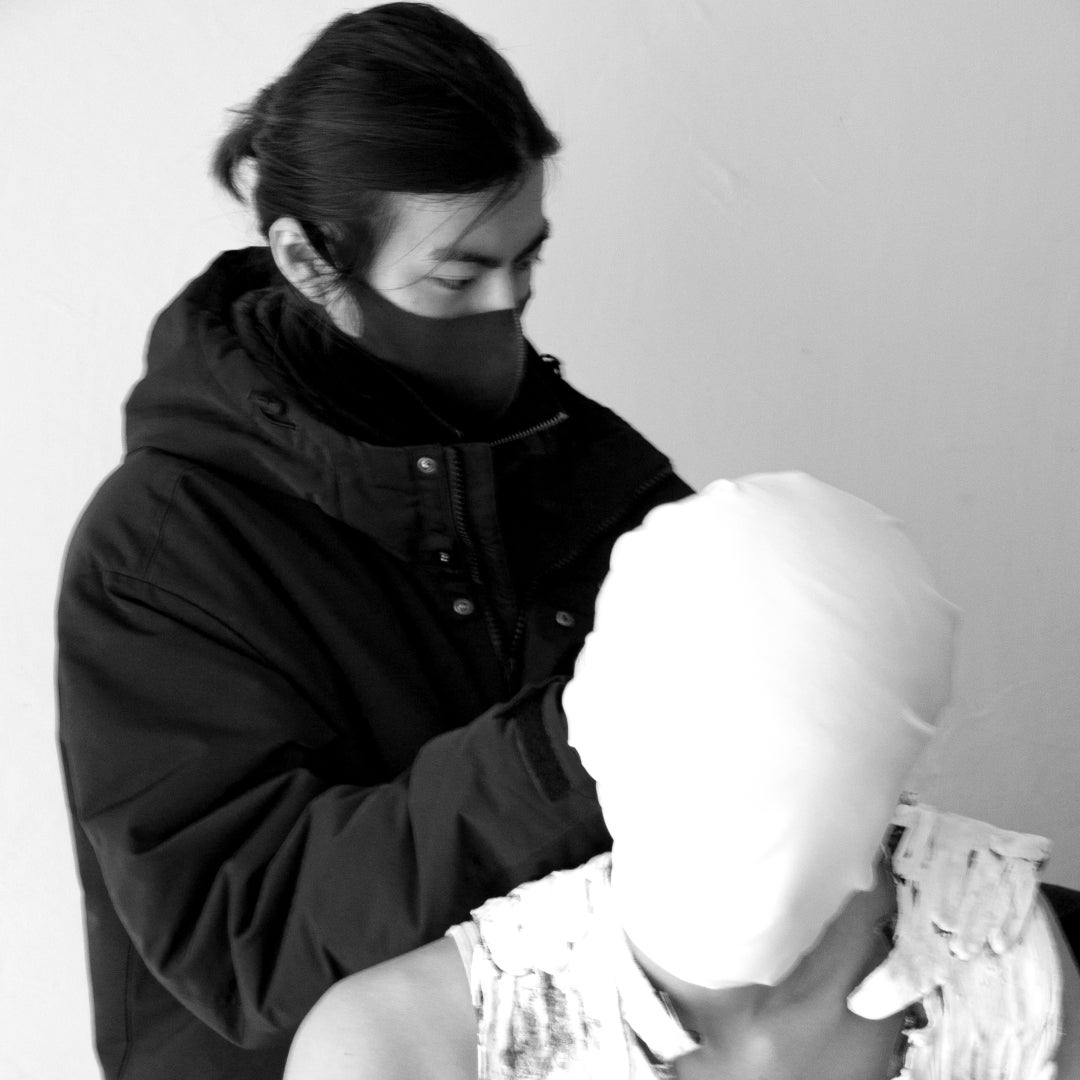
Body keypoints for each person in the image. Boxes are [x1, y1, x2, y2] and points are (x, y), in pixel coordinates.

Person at [55, 5, 690, 1078]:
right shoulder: (162, 552)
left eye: (527, 260)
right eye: (459, 276)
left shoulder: (583, 477)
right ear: (307, 259)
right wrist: (566, 749)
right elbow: (248, 934)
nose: (508, 306)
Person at [283, 472, 1080, 1080]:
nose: (736, 838)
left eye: (799, 786)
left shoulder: (1012, 966)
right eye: (683, 756)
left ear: (899, 770)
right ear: (590, 730)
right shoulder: (397, 1051)